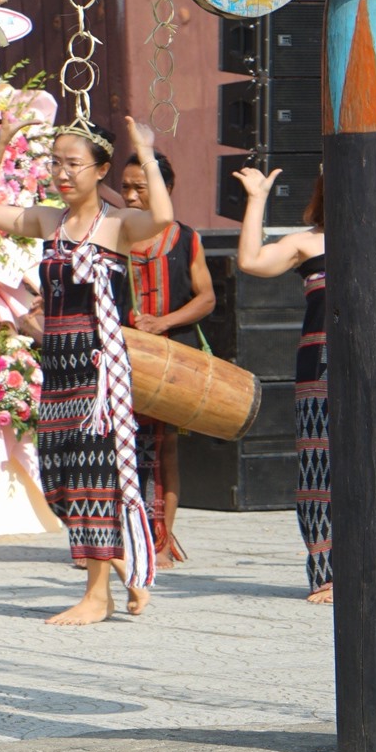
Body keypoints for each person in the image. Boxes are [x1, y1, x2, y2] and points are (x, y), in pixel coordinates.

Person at [0, 115, 171, 624]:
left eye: (73, 164)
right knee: (58, 475)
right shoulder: (48, 221)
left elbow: (162, 218)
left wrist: (145, 152)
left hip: (100, 369)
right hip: (58, 364)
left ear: (100, 169)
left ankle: (96, 595)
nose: (62, 173)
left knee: (94, 478)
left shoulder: (118, 224)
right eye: (55, 162)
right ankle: (117, 559)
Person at [233, 166, 330, 603]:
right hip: (320, 369)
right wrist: (257, 198)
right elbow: (252, 261)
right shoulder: (306, 242)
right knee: (319, 469)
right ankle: (328, 573)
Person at [122, 152, 216, 568]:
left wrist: (163, 322)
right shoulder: (110, 235)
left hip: (168, 360)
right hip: (118, 354)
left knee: (164, 449)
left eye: (139, 188)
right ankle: (112, 544)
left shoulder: (186, 239)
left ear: (164, 190)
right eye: (125, 187)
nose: (129, 195)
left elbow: (206, 298)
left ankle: (161, 542)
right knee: (116, 447)